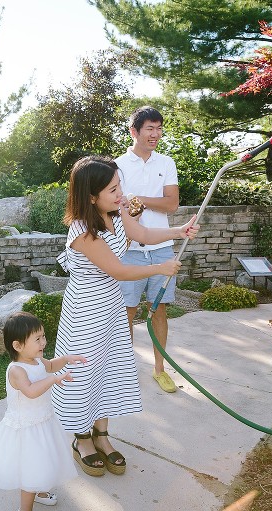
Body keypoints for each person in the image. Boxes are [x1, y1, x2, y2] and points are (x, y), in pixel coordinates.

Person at [51, 155, 198, 477]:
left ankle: (102, 434)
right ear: (91, 196)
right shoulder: (81, 231)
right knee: (84, 373)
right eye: (113, 189)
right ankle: (81, 439)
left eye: (120, 186)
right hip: (86, 311)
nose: (121, 194)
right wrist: (160, 267)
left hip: (112, 309)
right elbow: (117, 269)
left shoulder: (115, 214)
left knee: (109, 370)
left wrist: (180, 231)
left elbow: (143, 235)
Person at [0, 311, 87, 511]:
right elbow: (31, 391)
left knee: (43, 463)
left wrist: (66, 359)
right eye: (37, 339)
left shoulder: (37, 361)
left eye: (43, 337)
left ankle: (40, 492)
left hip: (43, 422)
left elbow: (50, 366)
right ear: (18, 345)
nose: (43, 342)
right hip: (26, 430)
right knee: (31, 469)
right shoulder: (17, 370)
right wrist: (54, 379)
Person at [116, 106, 181, 393]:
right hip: (129, 249)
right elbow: (117, 207)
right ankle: (125, 371)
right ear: (134, 132)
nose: (156, 134)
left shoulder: (166, 163)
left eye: (159, 128)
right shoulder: (117, 166)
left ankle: (159, 369)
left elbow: (171, 204)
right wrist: (130, 205)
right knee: (126, 312)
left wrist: (138, 199)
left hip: (162, 248)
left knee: (159, 310)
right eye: (149, 129)